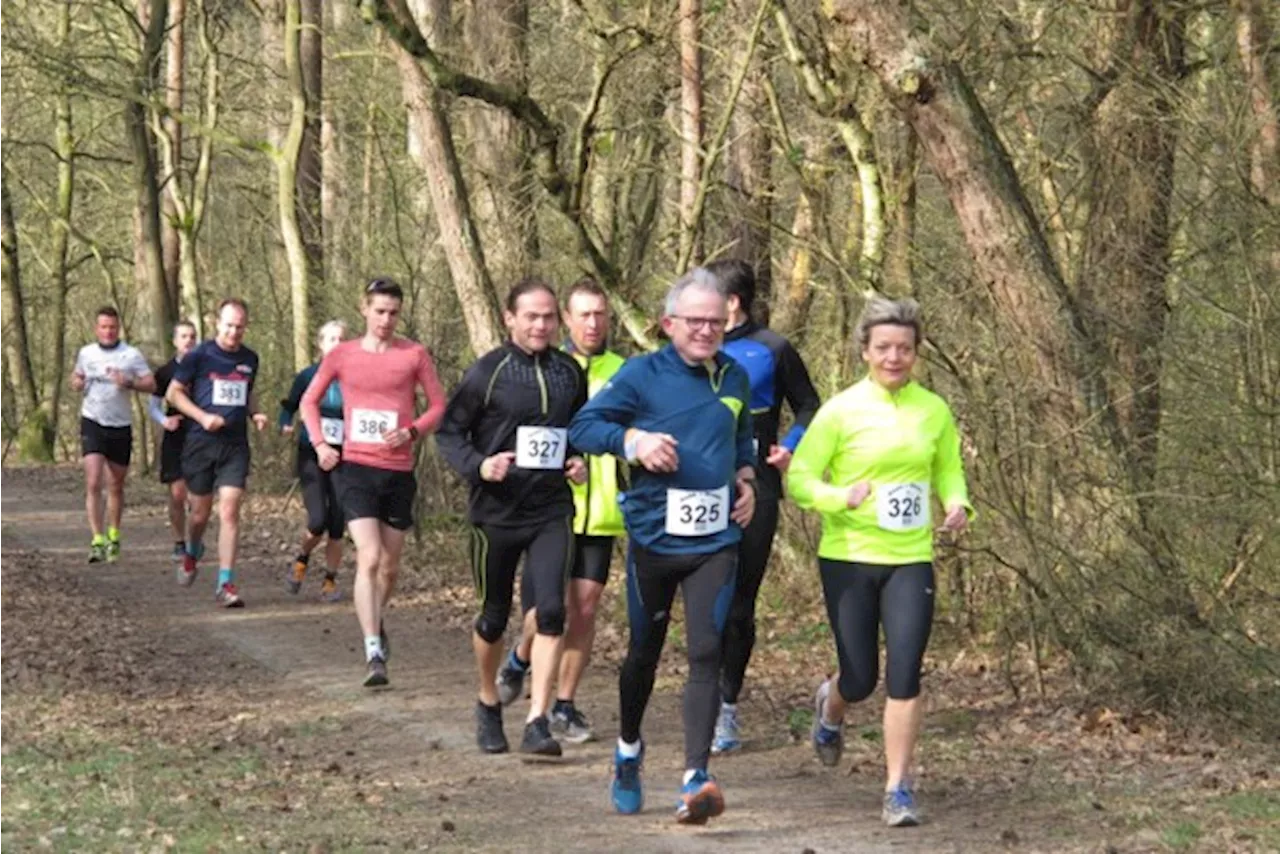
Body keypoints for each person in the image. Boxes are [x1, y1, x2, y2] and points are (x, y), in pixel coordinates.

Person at [568, 267, 756, 825]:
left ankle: (695, 777)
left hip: (716, 540)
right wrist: (634, 440)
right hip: (654, 538)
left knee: (706, 650)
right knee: (643, 655)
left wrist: (744, 479)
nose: (705, 330)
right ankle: (628, 750)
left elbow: (742, 437)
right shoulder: (640, 374)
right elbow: (584, 426)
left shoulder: (736, 378)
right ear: (669, 322)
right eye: (694, 321)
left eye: (715, 321)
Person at [786, 297, 972, 828]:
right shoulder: (840, 410)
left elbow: (948, 470)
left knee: (905, 673)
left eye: (905, 349)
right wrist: (839, 498)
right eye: (884, 348)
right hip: (848, 558)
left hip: (910, 558)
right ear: (865, 351)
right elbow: (801, 479)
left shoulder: (933, 409)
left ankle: (898, 789)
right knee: (862, 677)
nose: (895, 358)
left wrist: (958, 502)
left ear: (916, 353)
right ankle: (832, 705)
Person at [437, 279, 588, 759]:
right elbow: (449, 433)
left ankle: (537, 721)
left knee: (551, 612)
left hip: (551, 509)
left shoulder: (569, 371)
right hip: (495, 512)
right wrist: (480, 465)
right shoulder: (488, 372)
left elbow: (579, 429)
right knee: (493, 618)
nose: (541, 325)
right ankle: (487, 700)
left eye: (548, 317)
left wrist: (579, 459)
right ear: (510, 319)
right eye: (532, 317)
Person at [497, 278, 627, 744]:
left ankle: (563, 705)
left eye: (601, 314)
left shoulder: (625, 371)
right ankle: (520, 655)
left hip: (602, 510)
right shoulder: (546, 368)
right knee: (546, 610)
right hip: (547, 510)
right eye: (583, 314)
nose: (593, 323)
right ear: (565, 320)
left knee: (586, 608)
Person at [300, 278, 447, 688]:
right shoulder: (343, 356)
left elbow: (438, 406)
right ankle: (373, 650)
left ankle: (376, 620)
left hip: (398, 471)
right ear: (364, 309)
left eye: (393, 313)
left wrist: (413, 431)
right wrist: (320, 444)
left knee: (390, 567)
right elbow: (308, 401)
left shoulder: (413, 354)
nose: (386, 320)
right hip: (356, 468)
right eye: (379, 311)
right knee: (369, 556)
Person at [705, 259, 821, 755]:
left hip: (760, 485)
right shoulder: (693, 348)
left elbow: (811, 404)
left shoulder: (772, 349)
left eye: (710, 299)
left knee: (739, 602)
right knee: (706, 595)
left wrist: (790, 445)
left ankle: (727, 707)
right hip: (701, 487)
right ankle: (701, 698)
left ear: (732, 302)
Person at [168, 298, 269, 607]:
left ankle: (225, 582)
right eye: (228, 325)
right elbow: (174, 393)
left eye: (239, 327)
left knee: (230, 509)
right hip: (200, 443)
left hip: (235, 445)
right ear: (217, 323)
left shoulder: (250, 358)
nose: (234, 332)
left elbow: (247, 391)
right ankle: (193, 550)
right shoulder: (199, 356)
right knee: (199, 514)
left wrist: (256, 414)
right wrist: (202, 417)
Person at [71, 306, 156, 563]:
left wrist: (128, 382)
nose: (108, 331)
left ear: (118, 328)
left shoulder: (130, 355)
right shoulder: (86, 353)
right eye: (103, 327)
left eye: (112, 327)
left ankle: (114, 536)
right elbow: (76, 376)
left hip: (119, 426)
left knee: (116, 485)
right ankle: (97, 540)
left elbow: (151, 383)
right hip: (92, 421)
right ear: (96, 328)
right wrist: (75, 382)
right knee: (93, 481)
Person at [280, 320, 349, 602]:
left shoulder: (355, 377)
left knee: (337, 523)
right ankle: (301, 559)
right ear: (320, 344)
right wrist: (284, 423)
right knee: (318, 520)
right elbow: (289, 405)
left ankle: (329, 582)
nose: (337, 344)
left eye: (342, 339)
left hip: (345, 456)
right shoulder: (308, 375)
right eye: (331, 339)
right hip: (312, 453)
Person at [150, 321, 199, 562]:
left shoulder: (204, 368)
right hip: (175, 434)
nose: (188, 341)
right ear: (175, 341)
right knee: (178, 493)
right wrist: (164, 421)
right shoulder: (164, 372)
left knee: (198, 495)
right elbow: (153, 405)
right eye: (184, 336)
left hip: (200, 435)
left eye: (192, 336)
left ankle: (196, 541)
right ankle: (179, 541)